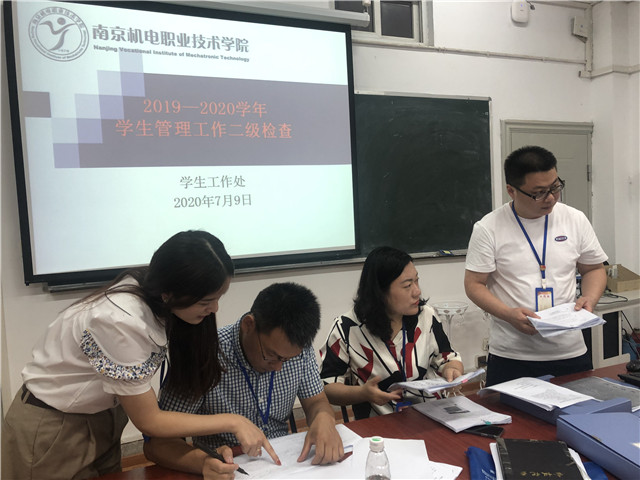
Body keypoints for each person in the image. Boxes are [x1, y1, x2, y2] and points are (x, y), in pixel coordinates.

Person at [1, 230, 278, 480]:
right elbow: (149, 421)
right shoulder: (120, 320)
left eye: (219, 298)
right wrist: (234, 420)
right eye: (206, 301)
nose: (215, 309)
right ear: (169, 293)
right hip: (55, 426)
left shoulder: (153, 293)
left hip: (103, 418)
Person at [144, 282, 344, 479]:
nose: (278, 367)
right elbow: (157, 445)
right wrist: (203, 462)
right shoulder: (204, 355)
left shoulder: (298, 350)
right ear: (248, 325)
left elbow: (317, 402)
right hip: (226, 468)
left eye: (287, 359)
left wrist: (324, 418)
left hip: (286, 465)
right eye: (271, 356)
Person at [464, 145, 608, 386]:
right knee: (509, 412)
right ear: (511, 190)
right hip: (512, 355)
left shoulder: (574, 219)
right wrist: (508, 314)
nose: (550, 198)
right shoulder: (489, 228)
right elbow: (474, 284)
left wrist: (590, 298)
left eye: (555, 187)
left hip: (570, 351)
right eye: (539, 193)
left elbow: (593, 268)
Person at [319, 246, 464, 419]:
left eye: (417, 281)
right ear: (380, 291)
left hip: (431, 417)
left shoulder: (426, 315)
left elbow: (448, 358)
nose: (417, 291)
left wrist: (452, 370)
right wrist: (362, 393)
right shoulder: (346, 328)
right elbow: (327, 387)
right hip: (378, 424)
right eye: (407, 285)